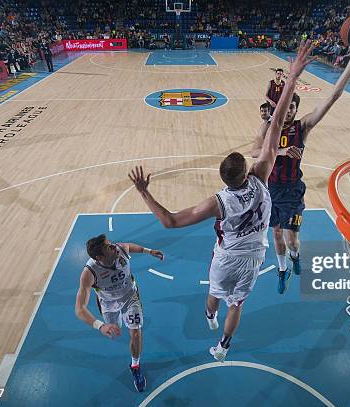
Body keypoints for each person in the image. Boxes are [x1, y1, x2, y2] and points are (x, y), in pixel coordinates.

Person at [128, 41, 316, 361]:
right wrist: (293, 79)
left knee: (214, 293)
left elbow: (169, 221)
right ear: (248, 170)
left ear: (224, 179)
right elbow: (274, 130)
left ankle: (209, 316)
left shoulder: (218, 202)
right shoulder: (260, 180)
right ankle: (224, 347)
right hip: (255, 257)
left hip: (227, 257)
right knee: (237, 304)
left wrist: (144, 191)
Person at [251, 45, 350, 294]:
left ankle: (295, 257)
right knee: (277, 235)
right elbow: (253, 152)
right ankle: (282, 271)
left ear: (296, 109)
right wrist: (276, 152)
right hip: (270, 191)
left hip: (292, 191)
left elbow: (333, 97)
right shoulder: (268, 128)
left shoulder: (303, 127)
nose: (289, 109)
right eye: (286, 106)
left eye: (293, 106)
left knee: (292, 239)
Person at [75, 234, 164, 392]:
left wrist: (149, 251)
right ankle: (111, 319)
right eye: (108, 247)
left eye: (111, 243)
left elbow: (129, 246)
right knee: (115, 328)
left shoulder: (120, 249)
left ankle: (135, 365)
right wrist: (100, 326)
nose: (114, 247)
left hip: (130, 297)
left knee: (135, 332)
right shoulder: (89, 272)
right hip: (108, 304)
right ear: (99, 257)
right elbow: (80, 308)